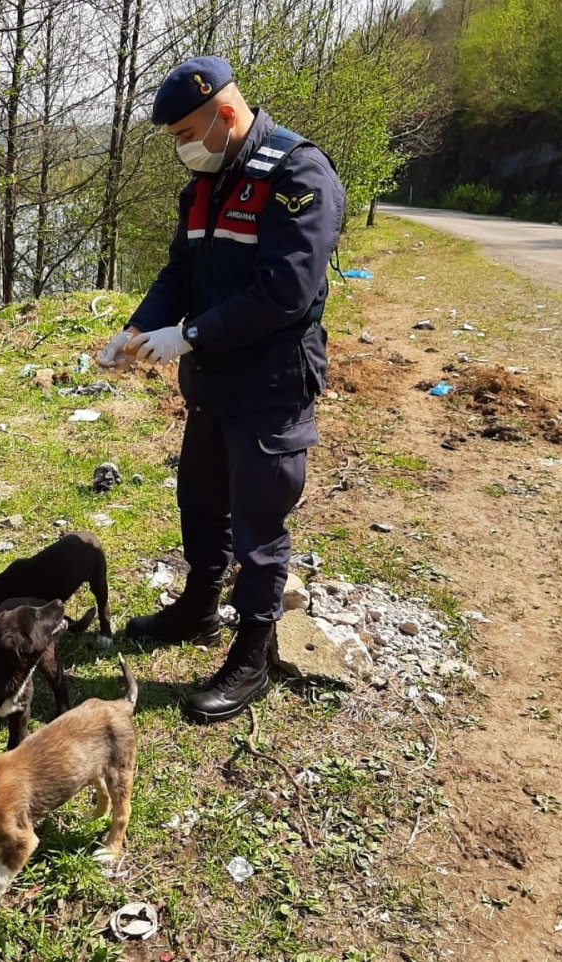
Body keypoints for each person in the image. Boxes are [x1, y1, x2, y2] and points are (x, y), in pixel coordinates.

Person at [98, 56, 346, 724]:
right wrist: (138, 328)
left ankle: (253, 655)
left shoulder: (298, 174)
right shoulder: (204, 185)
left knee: (259, 525)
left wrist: (193, 335)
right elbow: (181, 270)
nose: (182, 145)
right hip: (209, 382)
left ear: (227, 115)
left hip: (269, 381)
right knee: (201, 500)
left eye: (187, 130)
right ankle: (199, 609)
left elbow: (286, 291)